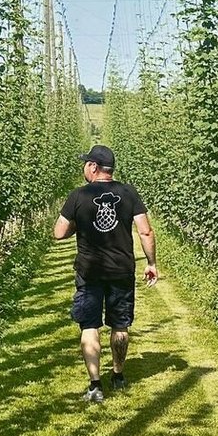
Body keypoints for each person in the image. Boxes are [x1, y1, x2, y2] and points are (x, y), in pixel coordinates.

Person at [53, 144, 158, 403]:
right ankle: (119, 376)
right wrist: (151, 262)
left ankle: (95, 384)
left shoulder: (77, 196)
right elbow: (145, 231)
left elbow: (58, 232)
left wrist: (80, 224)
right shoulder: (128, 192)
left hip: (89, 271)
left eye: (85, 164)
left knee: (89, 325)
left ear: (93, 167)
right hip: (121, 269)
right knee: (120, 324)